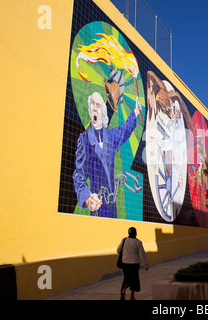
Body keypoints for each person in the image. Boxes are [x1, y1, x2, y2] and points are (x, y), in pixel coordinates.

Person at [73, 90, 142, 218]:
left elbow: (124, 130)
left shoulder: (110, 136)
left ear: (103, 115)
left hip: (112, 202)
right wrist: (87, 197)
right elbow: (79, 174)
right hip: (97, 203)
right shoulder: (84, 139)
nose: (94, 108)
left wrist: (136, 112)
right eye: (92, 104)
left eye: (98, 105)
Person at [117, 227, 149, 300]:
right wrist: (145, 264)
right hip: (134, 264)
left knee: (126, 278)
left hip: (125, 263)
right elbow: (142, 254)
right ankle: (132, 296)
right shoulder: (138, 242)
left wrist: (125, 254)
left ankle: (123, 290)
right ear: (136, 233)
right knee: (134, 280)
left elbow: (118, 250)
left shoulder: (124, 240)